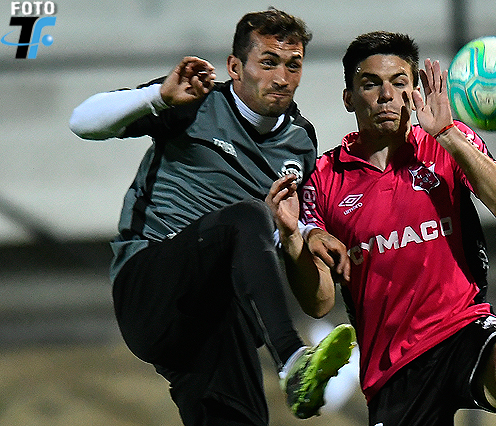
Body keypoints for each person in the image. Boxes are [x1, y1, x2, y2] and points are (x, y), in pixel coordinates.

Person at [268, 31, 496, 425]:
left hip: (464, 326)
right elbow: (319, 303)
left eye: (399, 83)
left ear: (414, 92)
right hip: (393, 370)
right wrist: (292, 240)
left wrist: (448, 135)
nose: (387, 96)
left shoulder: (445, 144)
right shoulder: (324, 178)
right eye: (371, 84)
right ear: (349, 97)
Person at [68, 9, 356, 426]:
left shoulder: (300, 142)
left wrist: (306, 233)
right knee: (247, 217)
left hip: (219, 319)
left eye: (293, 65)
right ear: (235, 67)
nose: (282, 78)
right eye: (268, 62)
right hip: (152, 289)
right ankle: (292, 357)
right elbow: (81, 122)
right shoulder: (194, 100)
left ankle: (286, 368)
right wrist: (158, 97)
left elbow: (303, 278)